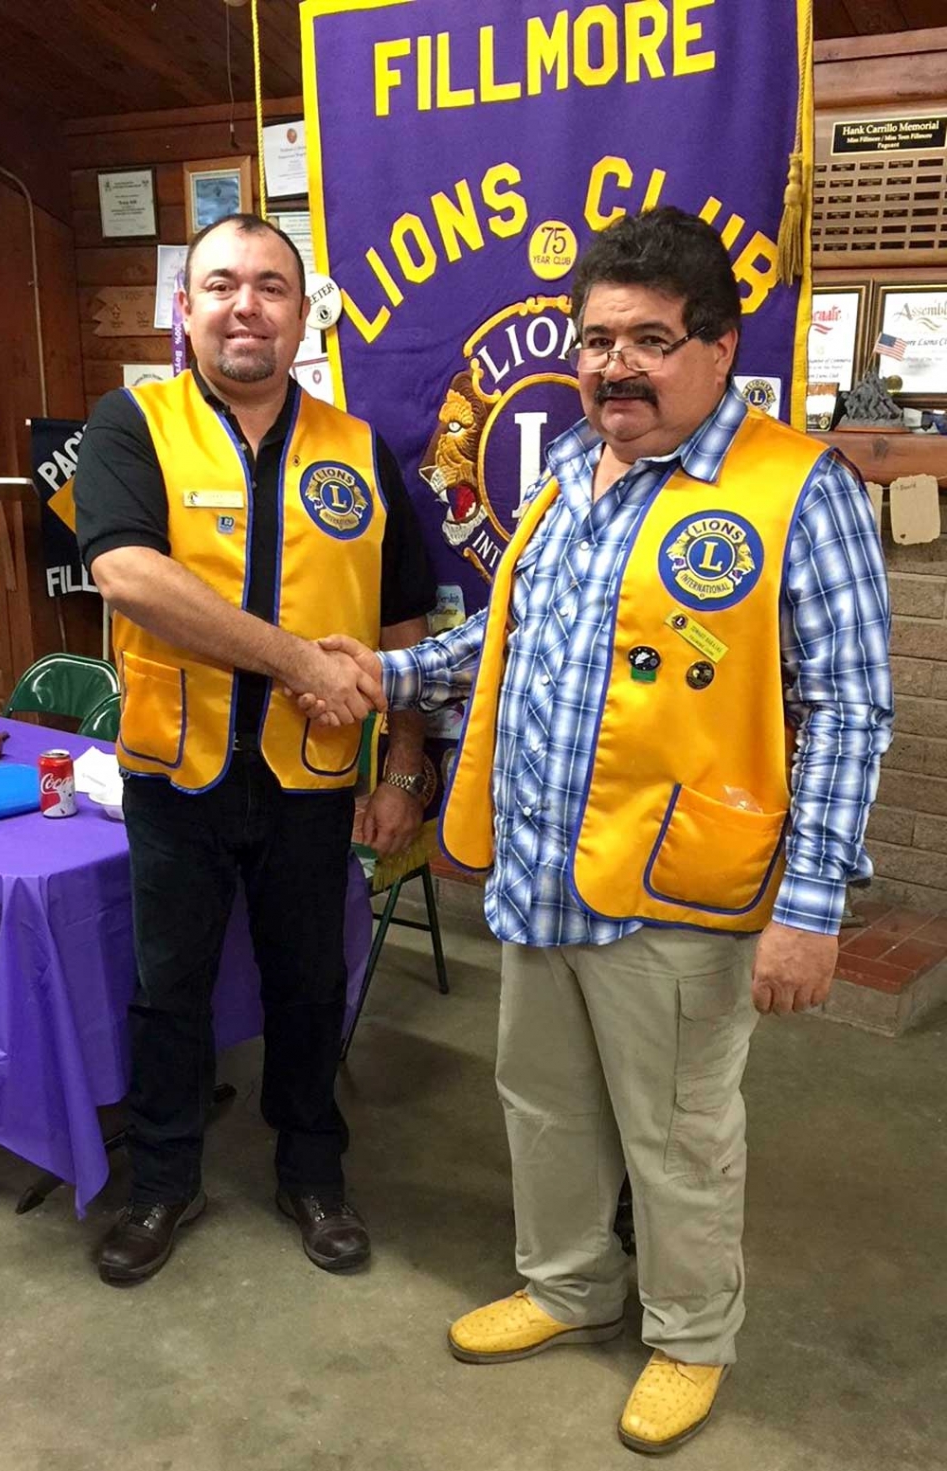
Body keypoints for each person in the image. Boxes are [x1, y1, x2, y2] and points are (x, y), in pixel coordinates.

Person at [313, 208, 892, 1453]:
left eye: (647, 340)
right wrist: (389, 674)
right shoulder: (574, 466)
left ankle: (689, 1336)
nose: (613, 365)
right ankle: (568, 1285)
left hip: (675, 889)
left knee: (679, 1137)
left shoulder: (798, 488)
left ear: (717, 348)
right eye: (596, 339)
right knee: (545, 1103)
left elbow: (850, 708)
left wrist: (812, 906)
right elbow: (508, 636)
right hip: (539, 868)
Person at [74, 213, 435, 1286]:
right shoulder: (131, 424)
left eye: (271, 287)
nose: (247, 305)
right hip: (175, 775)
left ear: (302, 314)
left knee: (308, 986)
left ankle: (312, 1172)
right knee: (168, 988)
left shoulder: (360, 450)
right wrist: (298, 662)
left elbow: (406, 618)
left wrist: (404, 765)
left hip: (314, 784)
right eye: (221, 284)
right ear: (185, 309)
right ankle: (163, 1183)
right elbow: (128, 573)